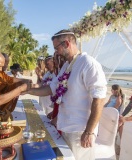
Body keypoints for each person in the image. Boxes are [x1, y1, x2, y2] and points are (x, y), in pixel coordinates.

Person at [24, 29, 107, 160]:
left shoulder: (88, 63)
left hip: (80, 130)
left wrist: (89, 131)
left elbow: (100, 99)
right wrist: (27, 90)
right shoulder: (67, 65)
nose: (56, 52)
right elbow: (51, 88)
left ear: (67, 43)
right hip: (65, 126)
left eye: (57, 48)